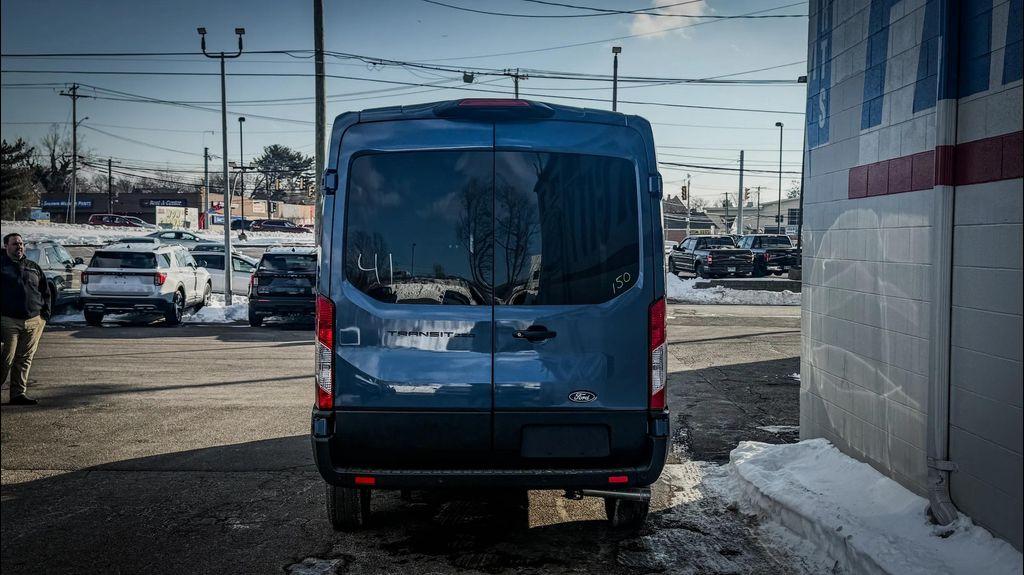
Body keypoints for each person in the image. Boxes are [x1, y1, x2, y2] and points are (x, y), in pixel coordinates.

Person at [1, 232, 50, 405]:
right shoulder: (2, 266)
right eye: (15, 244)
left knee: (24, 358)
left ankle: (17, 394)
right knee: (6, 358)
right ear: (6, 246)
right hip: (8, 319)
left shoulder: (33, 266)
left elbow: (45, 290)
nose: (19, 246)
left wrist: (45, 314)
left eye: (21, 243)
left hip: (34, 320)